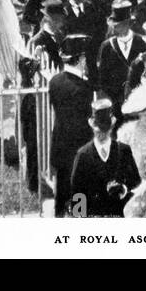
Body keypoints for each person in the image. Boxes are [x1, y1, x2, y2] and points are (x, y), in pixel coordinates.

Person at [68, 97, 141, 217]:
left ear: (112, 127)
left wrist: (123, 188)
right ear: (92, 127)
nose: (101, 133)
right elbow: (77, 192)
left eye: (105, 130)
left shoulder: (123, 150)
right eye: (98, 130)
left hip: (119, 213)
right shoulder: (83, 155)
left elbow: (136, 180)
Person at [48, 34, 95, 217]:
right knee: (78, 191)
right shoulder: (84, 88)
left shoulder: (55, 82)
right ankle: (78, 219)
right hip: (78, 149)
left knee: (62, 188)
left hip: (60, 145)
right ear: (81, 59)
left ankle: (59, 219)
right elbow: (84, 122)